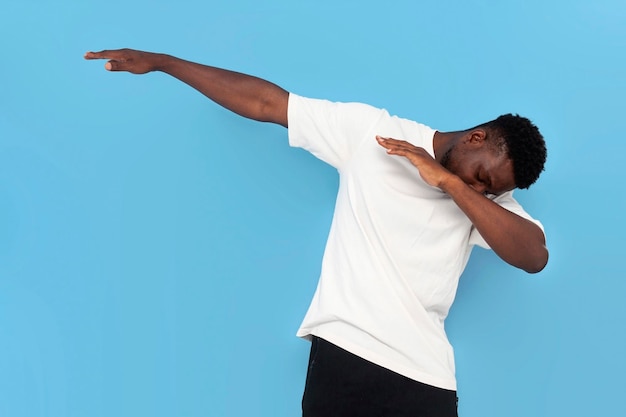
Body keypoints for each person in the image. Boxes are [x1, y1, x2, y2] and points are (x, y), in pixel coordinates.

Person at [85, 49, 548, 417]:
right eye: (480, 177)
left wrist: (449, 183)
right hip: (345, 362)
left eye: (489, 192)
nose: (479, 191)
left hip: (427, 379)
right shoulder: (374, 133)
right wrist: (165, 63)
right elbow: (268, 103)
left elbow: (534, 255)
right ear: (476, 139)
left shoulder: (484, 203)